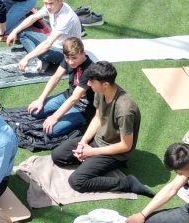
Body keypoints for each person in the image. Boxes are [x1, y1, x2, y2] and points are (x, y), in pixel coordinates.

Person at [52, 61, 154, 196]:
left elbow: (126, 145)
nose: (88, 84)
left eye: (92, 82)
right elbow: (98, 117)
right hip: (97, 140)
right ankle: (89, 161)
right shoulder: (100, 91)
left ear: (105, 84)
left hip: (114, 152)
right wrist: (83, 142)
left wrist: (91, 152)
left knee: (77, 181)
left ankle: (127, 183)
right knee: (58, 156)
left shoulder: (125, 110)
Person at [26, 36, 93, 137]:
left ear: (84, 53)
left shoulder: (89, 69)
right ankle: (63, 113)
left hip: (83, 107)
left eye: (74, 58)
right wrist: (40, 99)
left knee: (51, 131)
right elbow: (55, 77)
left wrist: (54, 117)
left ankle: (82, 121)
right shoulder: (68, 60)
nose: (70, 62)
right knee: (35, 112)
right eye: (67, 58)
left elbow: (75, 98)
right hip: (68, 96)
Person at [7, 0, 83, 73]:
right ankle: (40, 57)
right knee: (23, 34)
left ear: (60, 1)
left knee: (44, 53)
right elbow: (33, 18)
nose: (47, 7)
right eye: (45, 3)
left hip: (65, 51)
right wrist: (14, 31)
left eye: (50, 3)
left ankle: (42, 57)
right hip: (54, 43)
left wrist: (26, 58)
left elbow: (48, 43)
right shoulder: (52, 7)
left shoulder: (66, 17)